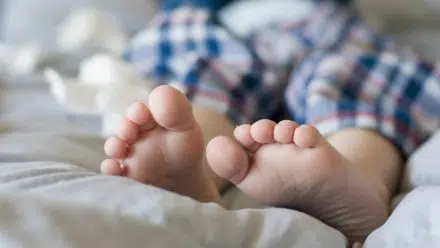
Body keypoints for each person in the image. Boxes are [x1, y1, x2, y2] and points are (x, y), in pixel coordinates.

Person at [100, 0, 440, 243]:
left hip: (323, 21)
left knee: (352, 72)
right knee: (209, 73)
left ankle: (356, 176)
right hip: (224, 28)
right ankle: (189, 164)